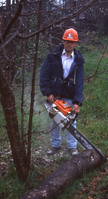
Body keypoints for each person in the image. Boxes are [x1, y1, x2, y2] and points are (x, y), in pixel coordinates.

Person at [40, 28, 84, 156]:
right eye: (67, 41)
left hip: (69, 95)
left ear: (75, 43)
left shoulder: (78, 60)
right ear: (63, 41)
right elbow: (44, 75)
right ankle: (55, 145)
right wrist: (48, 93)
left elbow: (80, 82)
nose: (69, 44)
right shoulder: (53, 56)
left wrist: (77, 101)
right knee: (55, 121)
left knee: (71, 122)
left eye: (72, 42)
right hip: (55, 95)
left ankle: (72, 147)